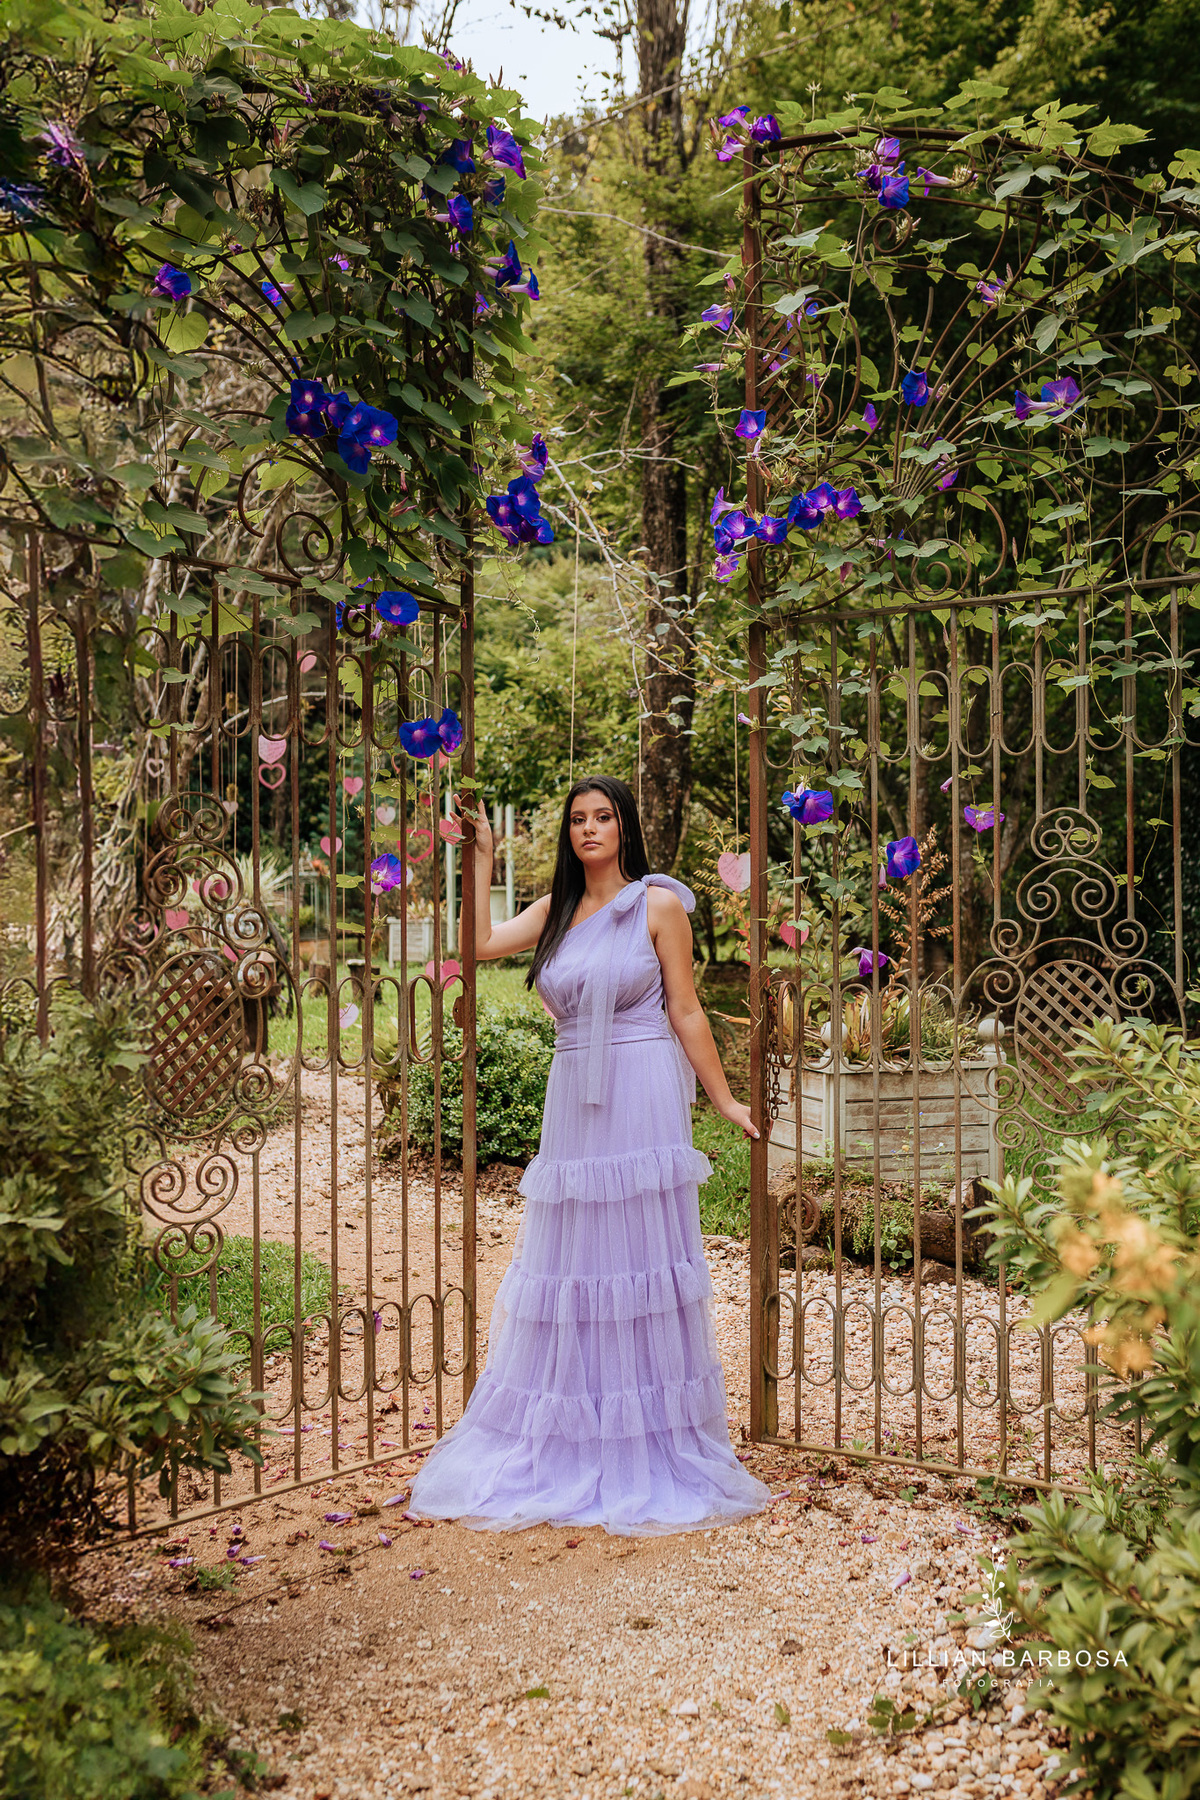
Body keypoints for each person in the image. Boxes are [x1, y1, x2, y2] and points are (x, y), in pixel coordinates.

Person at [407, 775, 770, 1535]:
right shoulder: (557, 911)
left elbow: (686, 1008)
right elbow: (473, 947)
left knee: (638, 1253)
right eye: (578, 819)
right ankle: (575, 1428)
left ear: (625, 829)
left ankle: (648, 1436)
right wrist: (481, 857)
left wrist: (727, 1098)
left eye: (603, 817)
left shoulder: (658, 905)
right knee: (576, 1257)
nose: (590, 829)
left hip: (640, 1088)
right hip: (573, 1091)